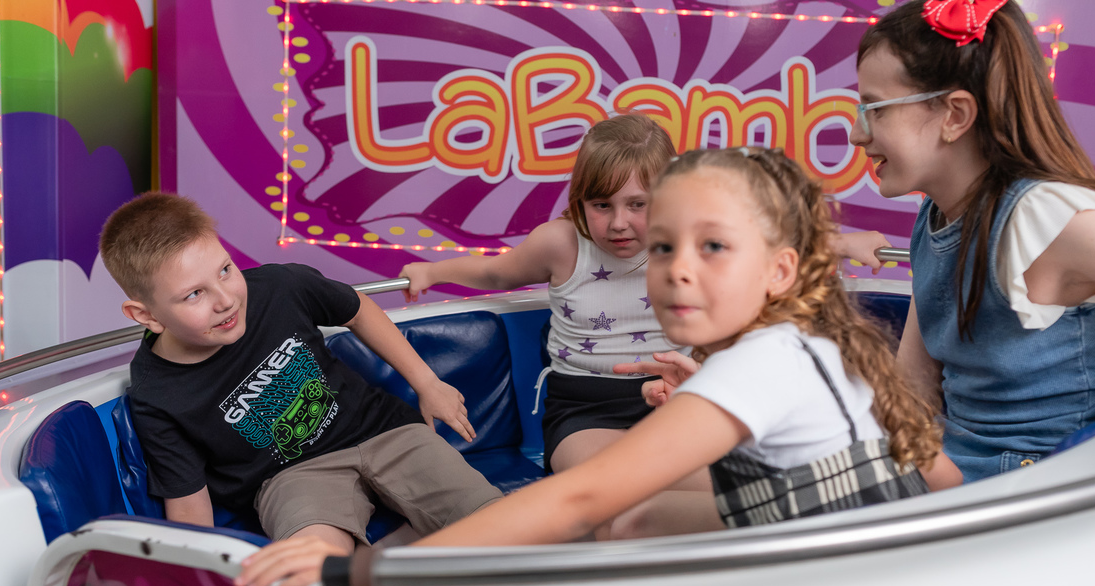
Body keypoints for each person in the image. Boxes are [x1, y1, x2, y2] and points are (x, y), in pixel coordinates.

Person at [405, 146, 948, 548]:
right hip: (839, 543)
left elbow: (580, 497)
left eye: (713, 246)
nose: (679, 270)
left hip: (855, 578)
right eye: (663, 247)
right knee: (636, 521)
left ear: (780, 270)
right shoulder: (804, 346)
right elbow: (938, 473)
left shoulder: (760, 364)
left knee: (618, 518)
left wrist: (381, 572)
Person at [399, 112, 891, 480]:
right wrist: (431, 270)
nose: (618, 223)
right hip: (585, 410)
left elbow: (769, 248)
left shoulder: (687, 239)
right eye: (601, 205)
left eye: (638, 205)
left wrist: (846, 243)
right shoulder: (562, 243)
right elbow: (494, 273)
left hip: (681, 396)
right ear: (580, 202)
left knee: (715, 483)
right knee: (610, 487)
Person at [99, 193, 503, 586]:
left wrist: (427, 383)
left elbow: (356, 308)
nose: (225, 300)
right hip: (291, 476)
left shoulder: (279, 286)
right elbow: (190, 506)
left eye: (225, 270)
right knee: (308, 577)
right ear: (146, 315)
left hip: (383, 431)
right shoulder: (156, 394)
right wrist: (198, 585)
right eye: (194, 294)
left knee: (498, 523)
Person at [851, 0, 1095, 482]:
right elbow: (913, 386)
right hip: (951, 457)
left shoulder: (1047, 218)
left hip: (1020, 489)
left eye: (873, 109)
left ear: (954, 115)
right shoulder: (938, 214)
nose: (857, 133)